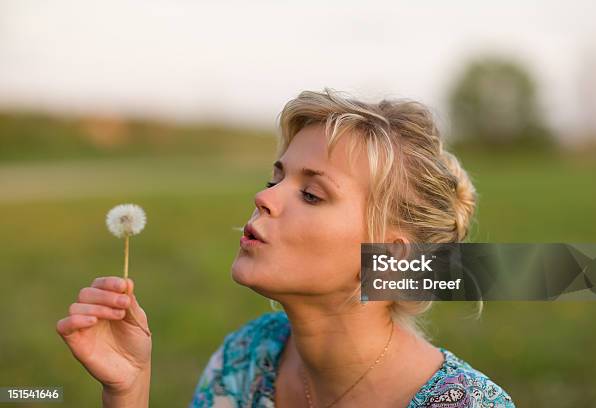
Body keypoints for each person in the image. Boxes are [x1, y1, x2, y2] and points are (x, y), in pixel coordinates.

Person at [57, 89, 515, 407]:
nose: (264, 197)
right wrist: (128, 392)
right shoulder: (247, 357)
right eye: (276, 178)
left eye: (312, 194)